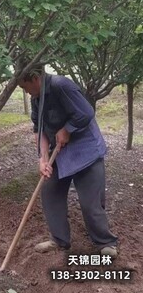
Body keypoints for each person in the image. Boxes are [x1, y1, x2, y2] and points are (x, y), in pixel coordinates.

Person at [18, 66, 118, 258]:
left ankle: (106, 242)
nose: (24, 91)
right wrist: (43, 159)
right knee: (50, 191)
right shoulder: (36, 98)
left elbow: (86, 112)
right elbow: (39, 129)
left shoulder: (61, 85)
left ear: (35, 78)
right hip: (60, 151)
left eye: (24, 86)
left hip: (85, 150)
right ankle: (59, 239)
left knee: (90, 202)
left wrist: (67, 129)